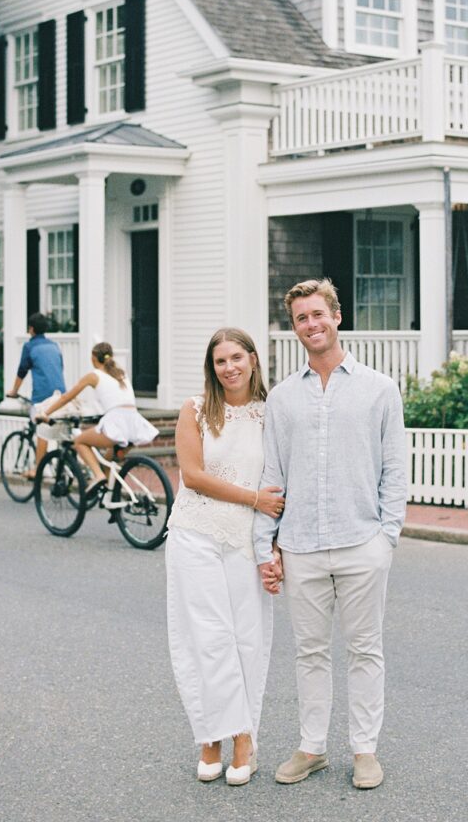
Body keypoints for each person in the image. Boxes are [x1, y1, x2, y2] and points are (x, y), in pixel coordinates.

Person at [253, 278, 407, 790]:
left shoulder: (379, 389)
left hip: (362, 542)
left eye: (318, 314)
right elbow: (271, 476)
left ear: (337, 317)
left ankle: (365, 751)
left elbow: (394, 468)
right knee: (310, 652)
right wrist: (265, 544)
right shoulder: (281, 397)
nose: (311, 324)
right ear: (293, 327)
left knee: (365, 650)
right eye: (301, 318)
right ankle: (312, 747)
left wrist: (387, 538)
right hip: (301, 545)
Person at [165, 328, 284, 786]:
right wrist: (253, 498)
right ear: (211, 368)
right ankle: (211, 737)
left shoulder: (271, 414)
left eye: (237, 357)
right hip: (195, 533)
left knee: (246, 639)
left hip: (244, 540)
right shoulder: (195, 410)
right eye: (220, 361)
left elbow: (282, 486)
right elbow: (192, 475)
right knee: (208, 640)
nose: (229, 367)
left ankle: (244, 738)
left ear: (253, 359)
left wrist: (275, 547)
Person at [38, 341, 158, 509]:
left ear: (94, 358)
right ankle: (109, 496)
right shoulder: (121, 373)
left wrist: (45, 413)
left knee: (79, 441)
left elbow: (66, 397)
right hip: (134, 422)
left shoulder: (94, 375)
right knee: (110, 458)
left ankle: (98, 476)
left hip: (117, 421)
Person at [7, 312, 66, 477]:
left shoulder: (30, 347)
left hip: (43, 396)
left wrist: (14, 392)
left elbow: (22, 371)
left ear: (31, 329)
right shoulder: (54, 346)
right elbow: (59, 368)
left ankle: (38, 470)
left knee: (42, 431)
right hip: (61, 394)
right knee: (61, 429)